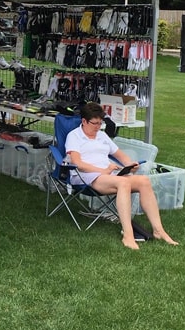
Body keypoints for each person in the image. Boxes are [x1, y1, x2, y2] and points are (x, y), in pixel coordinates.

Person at [64, 102, 179, 250]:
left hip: (108, 174)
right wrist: (103, 170)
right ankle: (128, 235)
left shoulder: (102, 135)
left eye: (100, 123)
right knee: (123, 183)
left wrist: (131, 164)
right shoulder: (74, 136)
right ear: (84, 121)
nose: (98, 127)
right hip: (86, 176)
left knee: (144, 181)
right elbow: (78, 163)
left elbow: (121, 156)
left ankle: (159, 230)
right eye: (95, 123)